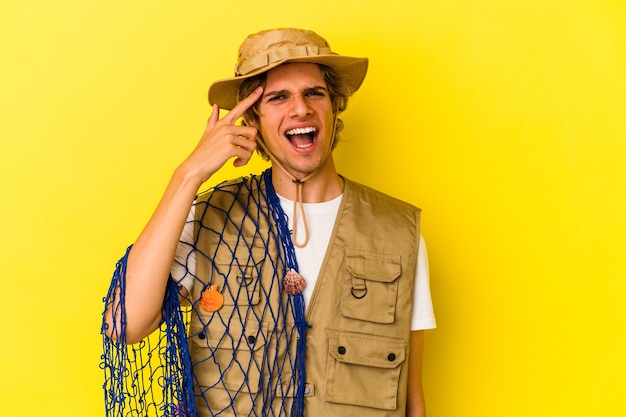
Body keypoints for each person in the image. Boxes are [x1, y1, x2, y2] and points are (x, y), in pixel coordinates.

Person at [102, 27, 436, 417]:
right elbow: (124, 325)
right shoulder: (210, 220)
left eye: (314, 93)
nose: (300, 109)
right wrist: (188, 174)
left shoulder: (398, 233)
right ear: (253, 121)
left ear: (334, 107)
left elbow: (412, 399)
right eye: (278, 97)